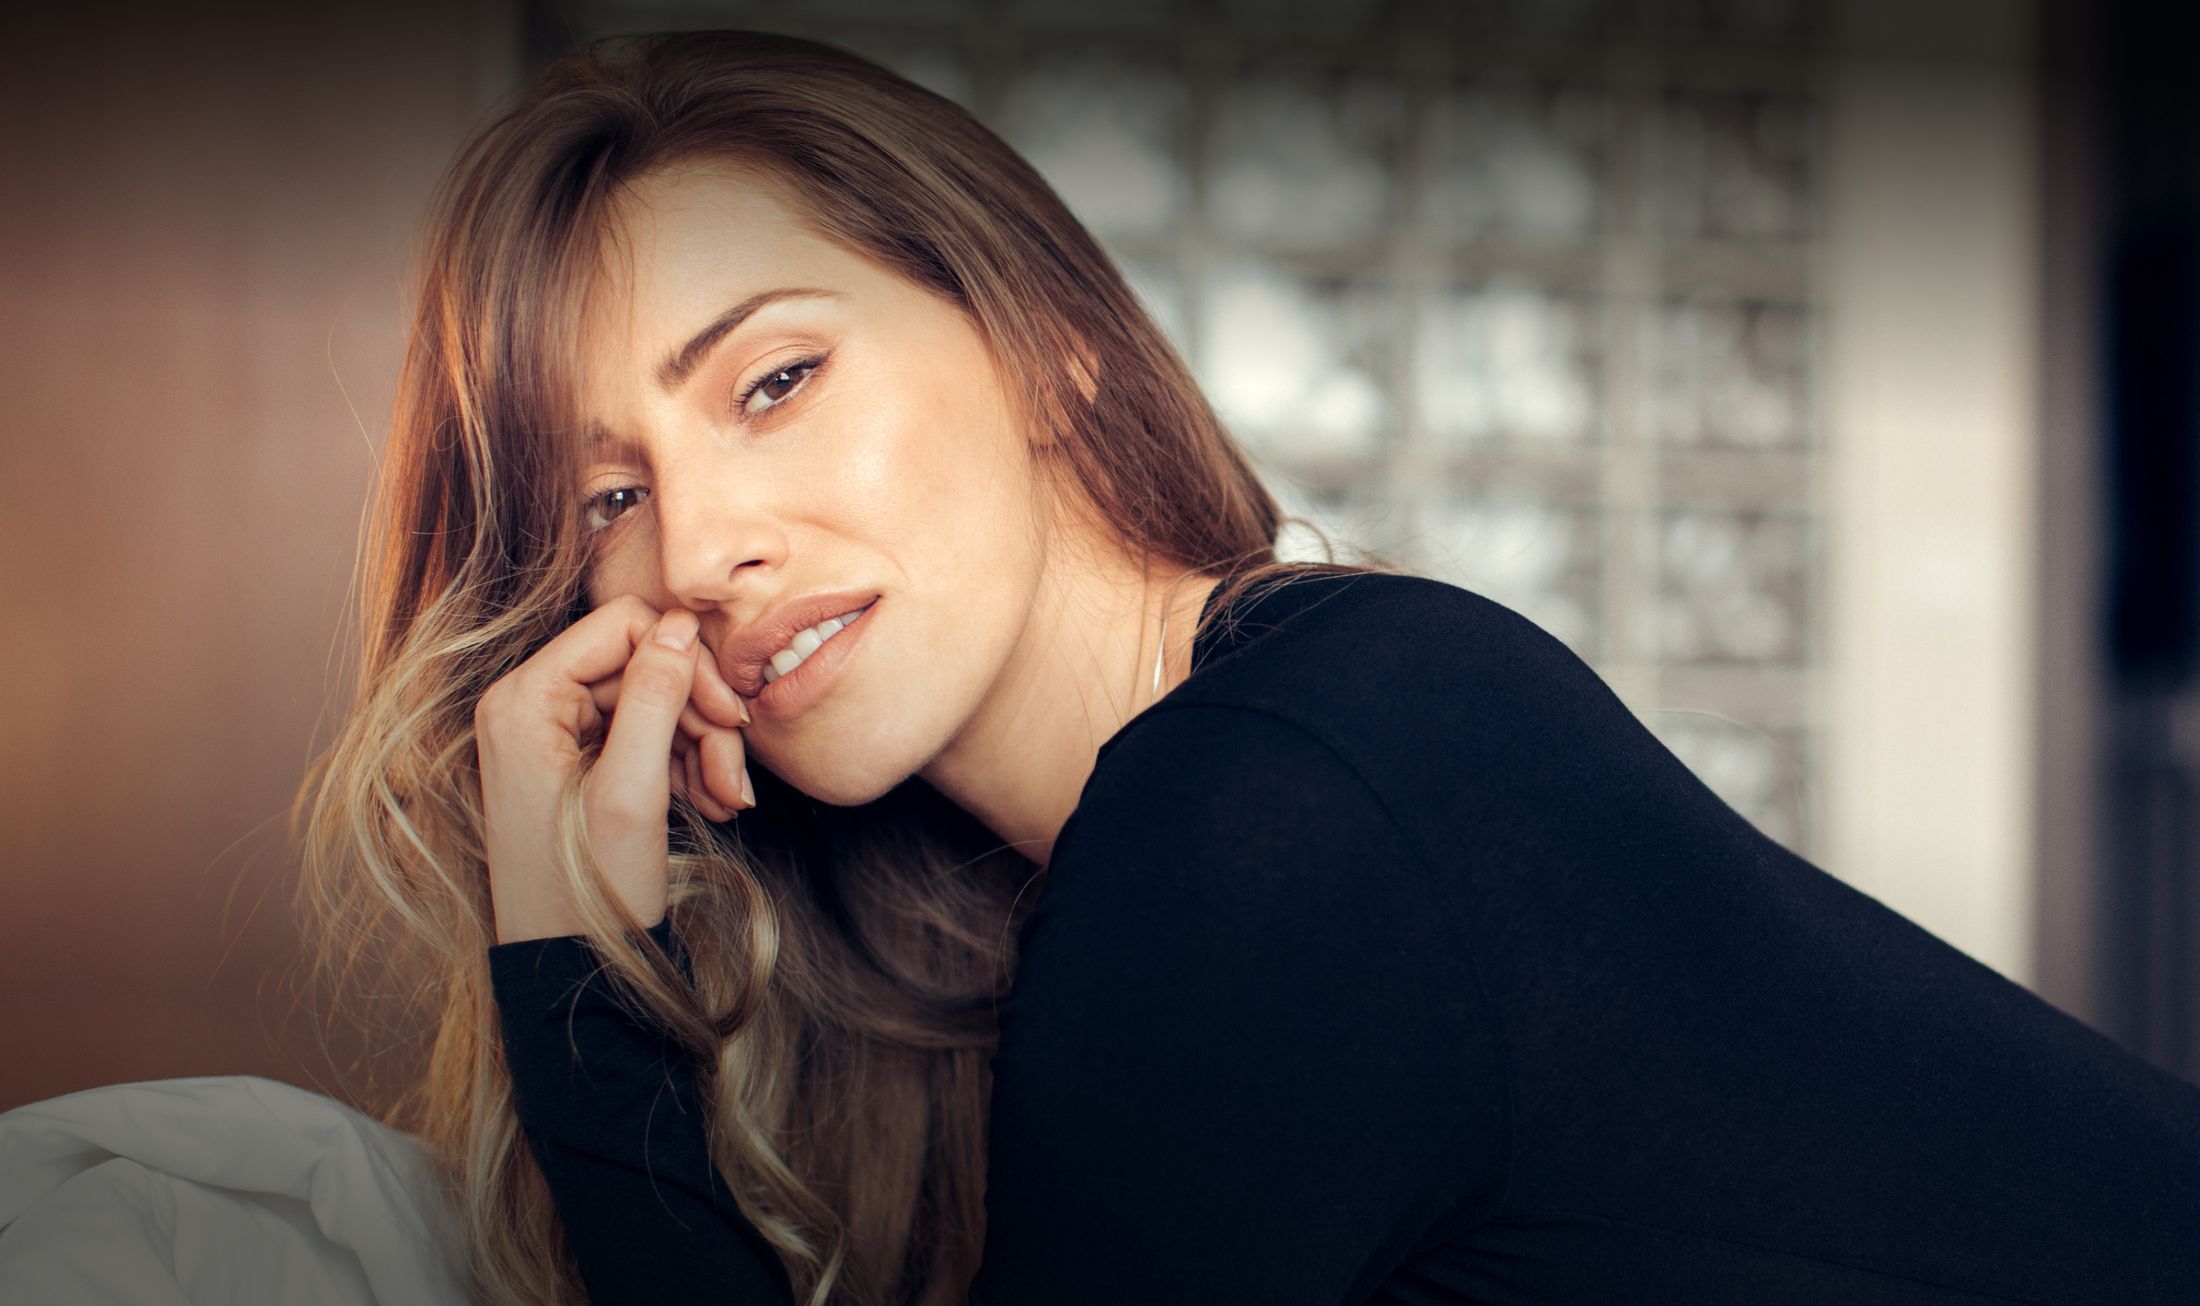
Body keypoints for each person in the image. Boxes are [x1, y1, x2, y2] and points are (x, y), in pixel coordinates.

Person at [297, 27, 2200, 1306]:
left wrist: (573, 977)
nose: (702, 549)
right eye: (610, 493)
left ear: (1053, 347)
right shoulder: (1264, 748)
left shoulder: (1271, 815)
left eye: (777, 382)